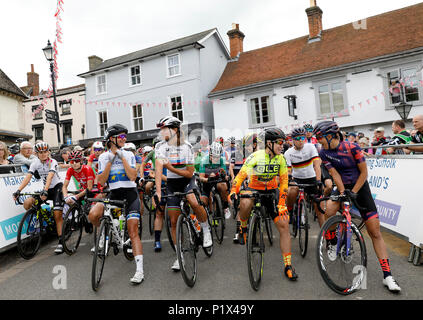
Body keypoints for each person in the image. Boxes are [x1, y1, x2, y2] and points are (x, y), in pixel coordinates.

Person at [313, 120, 401, 293]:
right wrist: (344, 191)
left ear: (331, 135)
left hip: (360, 187)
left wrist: (353, 191)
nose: (318, 141)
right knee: (329, 209)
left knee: (375, 232)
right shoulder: (323, 152)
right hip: (343, 186)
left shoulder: (351, 148)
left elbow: (364, 173)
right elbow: (335, 173)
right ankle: (332, 241)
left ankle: (388, 275)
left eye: (320, 137)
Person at [229, 128, 298, 281]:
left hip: (272, 192)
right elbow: (241, 175)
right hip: (255, 189)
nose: (282, 146)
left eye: (283, 143)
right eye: (279, 142)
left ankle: (288, 265)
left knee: (284, 225)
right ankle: (243, 226)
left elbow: (284, 182)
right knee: (245, 202)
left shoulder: (280, 159)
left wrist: (281, 203)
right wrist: (234, 190)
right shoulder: (256, 156)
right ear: (269, 143)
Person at [154, 116, 212, 272]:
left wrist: (171, 168)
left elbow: (189, 173)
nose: (161, 132)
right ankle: (179, 255)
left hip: (186, 181)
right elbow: (158, 171)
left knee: (193, 201)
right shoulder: (160, 147)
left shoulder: (186, 147)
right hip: (172, 184)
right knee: (173, 222)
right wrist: (158, 192)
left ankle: (206, 230)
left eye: (164, 129)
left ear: (174, 130)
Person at [88, 124, 144, 284]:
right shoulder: (103, 157)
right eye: (121, 137)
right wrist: (111, 160)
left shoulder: (129, 154)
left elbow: (132, 176)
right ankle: (103, 237)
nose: (124, 139)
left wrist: (122, 156)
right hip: (114, 194)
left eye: (125, 137)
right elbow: (101, 180)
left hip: (130, 195)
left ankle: (139, 270)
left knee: (133, 231)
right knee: (94, 214)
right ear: (112, 139)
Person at [12, 142, 65, 254]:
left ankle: (61, 241)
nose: (43, 154)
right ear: (37, 154)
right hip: (45, 189)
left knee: (57, 214)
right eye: (41, 152)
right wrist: (18, 190)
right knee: (27, 202)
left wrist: (45, 190)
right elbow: (28, 177)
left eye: (45, 151)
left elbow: (50, 177)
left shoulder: (52, 162)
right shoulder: (35, 163)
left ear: (49, 152)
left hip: (56, 188)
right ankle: (40, 221)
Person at [284, 128, 323, 227]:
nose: (301, 140)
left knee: (318, 205)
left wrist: (318, 180)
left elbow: (316, 165)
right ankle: (290, 210)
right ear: (293, 140)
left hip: (311, 177)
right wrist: (289, 178)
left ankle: (325, 233)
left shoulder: (310, 147)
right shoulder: (288, 153)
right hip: (297, 179)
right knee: (291, 191)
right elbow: (289, 170)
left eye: (303, 138)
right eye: (298, 138)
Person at [141, 137, 168, 252]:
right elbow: (144, 164)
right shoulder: (153, 154)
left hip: (171, 185)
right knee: (158, 213)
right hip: (160, 186)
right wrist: (143, 176)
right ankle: (157, 241)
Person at [231, 132, 257, 243]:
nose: (247, 148)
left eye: (249, 145)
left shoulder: (260, 154)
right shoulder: (240, 155)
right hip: (243, 179)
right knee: (241, 205)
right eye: (245, 146)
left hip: (256, 181)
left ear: (255, 145)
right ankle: (239, 230)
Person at [198, 142, 230, 219]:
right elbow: (201, 178)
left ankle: (226, 207)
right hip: (207, 181)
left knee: (223, 185)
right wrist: (208, 178)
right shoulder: (203, 161)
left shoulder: (222, 160)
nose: (216, 159)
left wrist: (224, 175)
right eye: (214, 157)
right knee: (203, 202)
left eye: (218, 157)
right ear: (210, 154)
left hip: (216, 180)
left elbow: (224, 174)